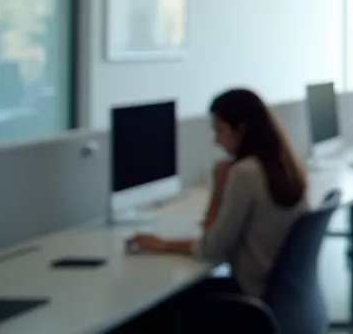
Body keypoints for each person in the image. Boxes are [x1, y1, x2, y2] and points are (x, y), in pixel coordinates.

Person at [126, 89, 308, 300]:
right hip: (286, 297)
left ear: (240, 130)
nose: (216, 141)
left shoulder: (245, 173)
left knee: (166, 302)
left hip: (252, 297)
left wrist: (164, 244)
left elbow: (211, 249)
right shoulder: (285, 164)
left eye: (219, 131)